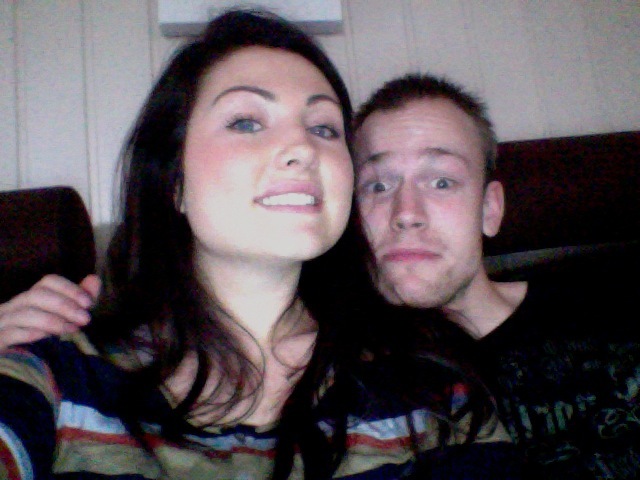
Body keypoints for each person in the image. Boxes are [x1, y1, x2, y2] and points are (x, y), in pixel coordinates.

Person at [0, 11, 521, 479]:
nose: (302, 148)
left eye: (324, 128)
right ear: (174, 182)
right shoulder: (56, 374)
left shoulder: (431, 384)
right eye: (246, 122)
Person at [352, 73, 640, 479]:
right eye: (378, 186)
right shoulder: (323, 370)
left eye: (441, 182)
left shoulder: (615, 315)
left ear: (489, 210)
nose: (406, 213)